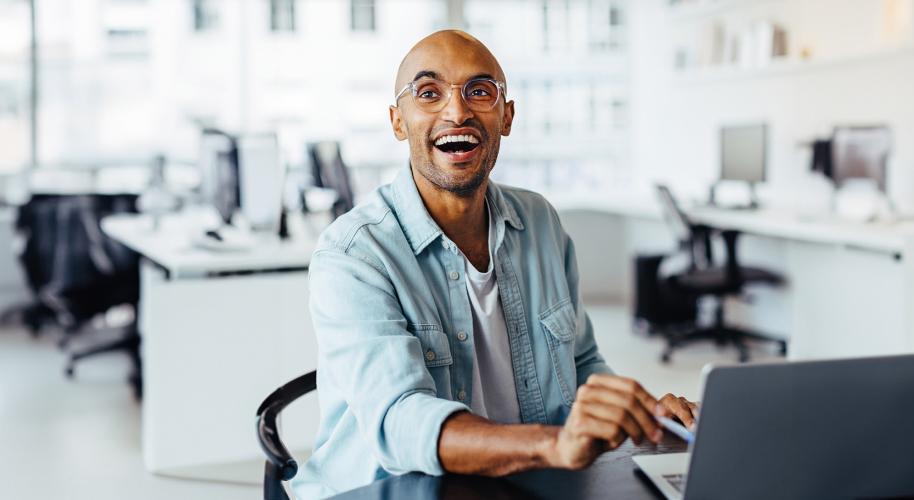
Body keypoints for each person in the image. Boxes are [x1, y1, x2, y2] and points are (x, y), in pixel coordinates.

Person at [292, 30, 698, 499]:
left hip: (523, 482)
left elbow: (582, 362)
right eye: (429, 93)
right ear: (398, 121)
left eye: (479, 92)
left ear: (506, 116)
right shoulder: (354, 254)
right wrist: (555, 445)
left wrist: (639, 413)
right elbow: (399, 422)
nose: (457, 111)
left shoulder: (541, 222)